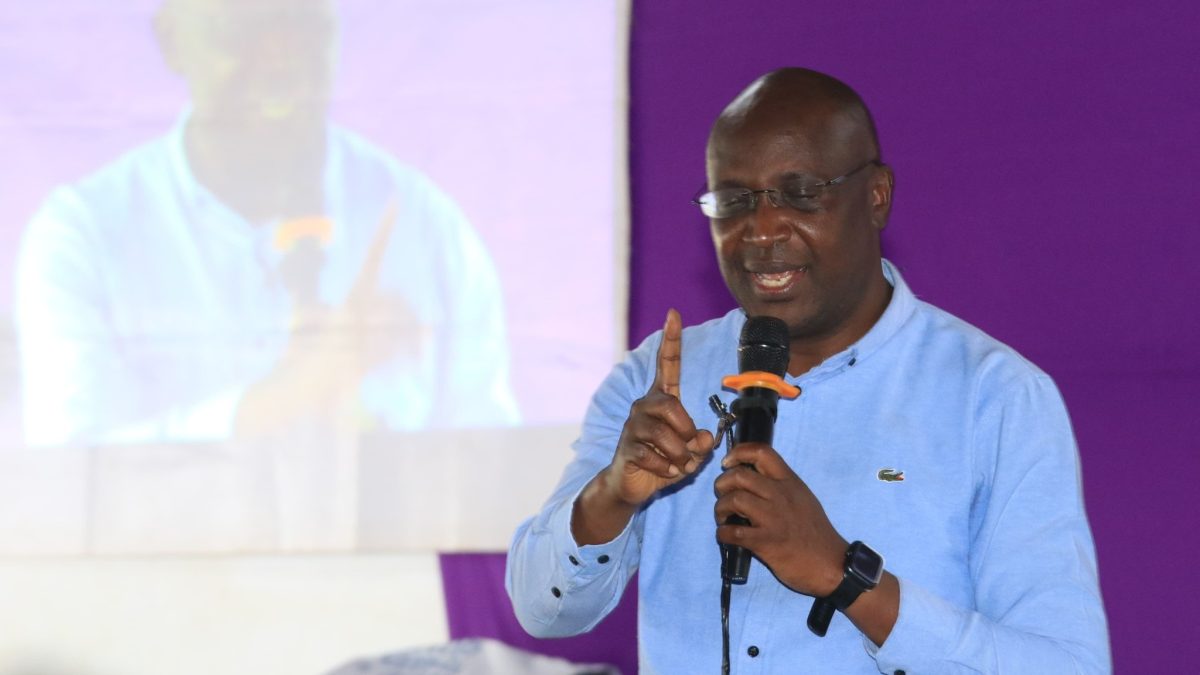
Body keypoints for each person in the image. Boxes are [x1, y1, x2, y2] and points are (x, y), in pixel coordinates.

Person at [507, 68, 1109, 673]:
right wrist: (611, 498)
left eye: (799, 194)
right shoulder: (658, 380)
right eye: (734, 201)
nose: (762, 231)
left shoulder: (995, 397)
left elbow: (1067, 665)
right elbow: (543, 611)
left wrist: (843, 575)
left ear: (876, 197)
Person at [15, 0, 518, 447]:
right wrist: (288, 399)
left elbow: (490, 481)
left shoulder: (425, 229)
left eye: (304, 24)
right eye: (244, 28)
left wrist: (374, 449)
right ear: (171, 40)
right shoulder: (81, 236)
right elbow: (73, 480)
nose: (281, 60)